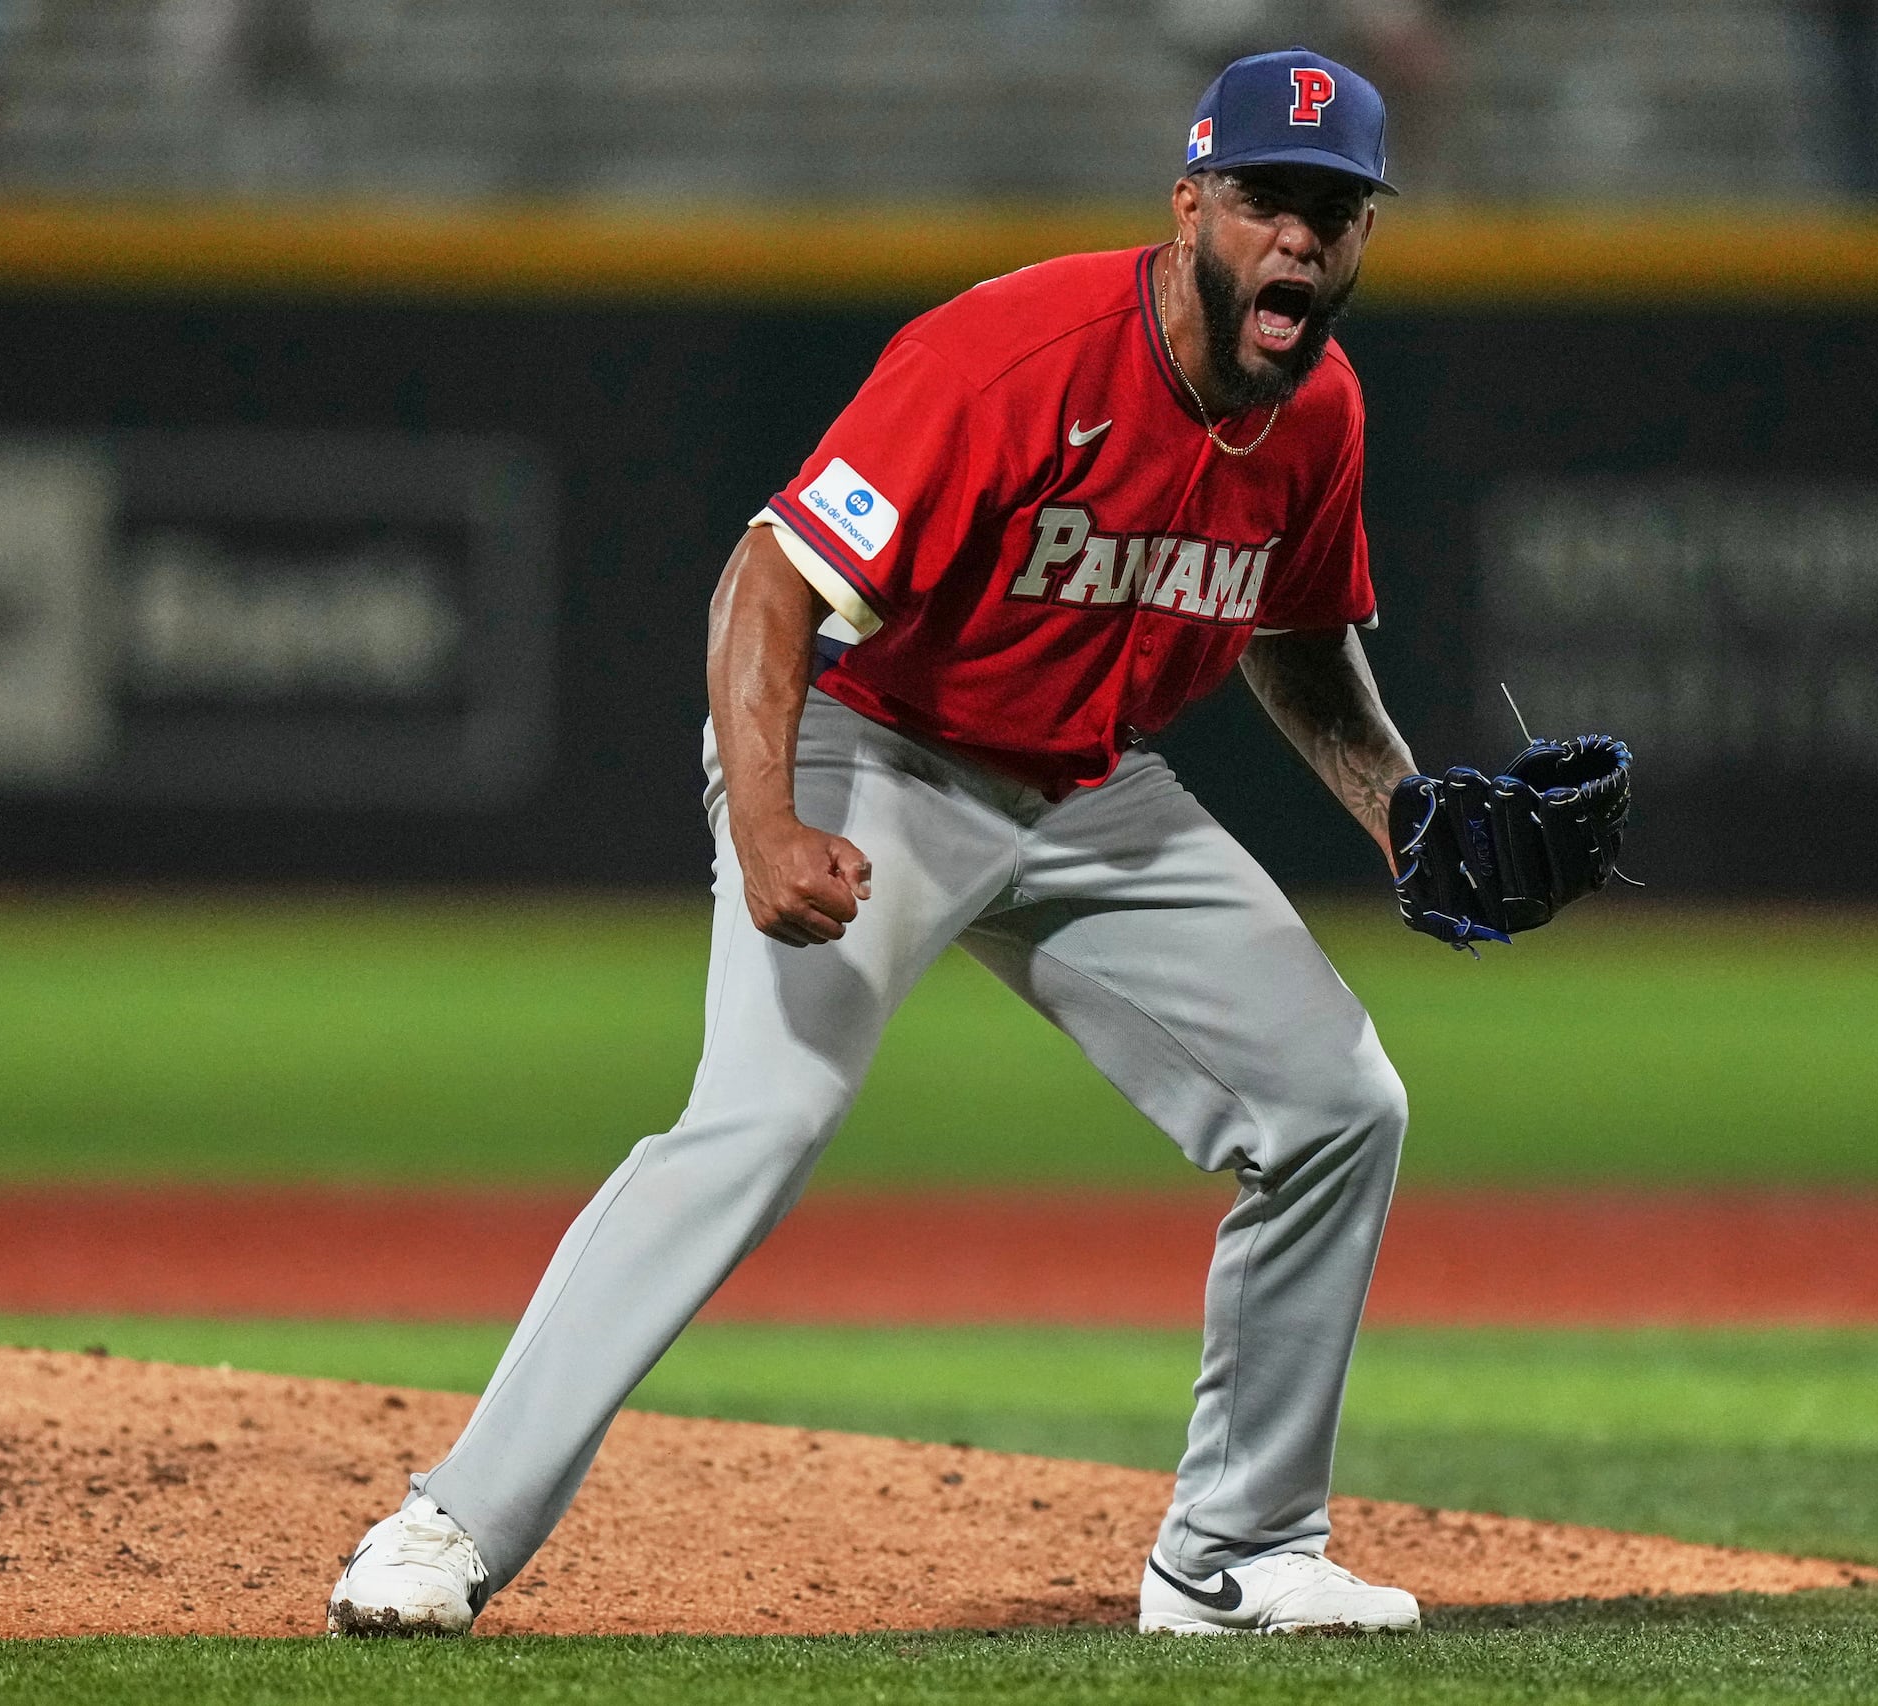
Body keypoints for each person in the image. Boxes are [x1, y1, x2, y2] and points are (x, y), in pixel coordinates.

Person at [328, 48, 1425, 1639]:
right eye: (1269, 201)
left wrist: (1403, 809)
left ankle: (1235, 1551)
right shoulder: (1013, 354)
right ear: (1191, 204)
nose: (1302, 242)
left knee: (1338, 1104)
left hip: (1093, 793)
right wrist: (766, 817)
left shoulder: (1318, 409)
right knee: (758, 1121)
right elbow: (766, 579)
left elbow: (1300, 633)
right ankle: (450, 1522)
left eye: (1337, 212)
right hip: (880, 753)